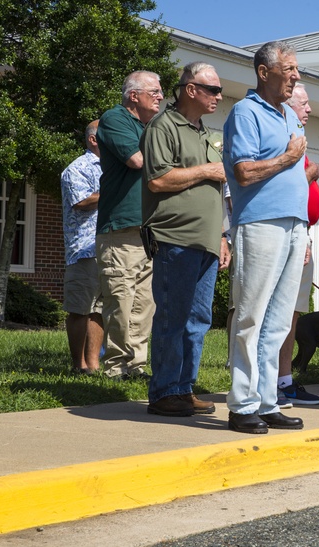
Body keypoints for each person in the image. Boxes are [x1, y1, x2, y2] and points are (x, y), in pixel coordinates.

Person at [222, 40, 308, 434]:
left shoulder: (289, 115)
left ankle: (267, 400)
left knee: (277, 322)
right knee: (251, 315)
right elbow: (242, 172)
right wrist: (287, 160)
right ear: (263, 71)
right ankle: (242, 405)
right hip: (260, 223)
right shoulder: (245, 112)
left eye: (296, 70)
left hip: (294, 225)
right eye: (288, 69)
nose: (295, 76)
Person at [141, 62, 230, 417]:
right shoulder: (163, 127)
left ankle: (183, 388)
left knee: (198, 321)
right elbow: (157, 181)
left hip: (207, 241)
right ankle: (164, 392)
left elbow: (216, 192)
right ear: (191, 89)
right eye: (213, 90)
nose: (218, 97)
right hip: (175, 237)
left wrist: (222, 236)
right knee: (172, 318)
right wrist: (208, 169)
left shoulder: (205, 133)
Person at [95, 71, 163, 380]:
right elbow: (136, 160)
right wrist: (170, 159)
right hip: (120, 229)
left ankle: (136, 366)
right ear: (134, 95)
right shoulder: (115, 118)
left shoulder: (153, 127)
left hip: (149, 230)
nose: (161, 96)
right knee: (120, 302)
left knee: (143, 305)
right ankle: (115, 368)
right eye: (154, 91)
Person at [276, 83, 319, 407]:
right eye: (304, 104)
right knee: (278, 314)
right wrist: (308, 175)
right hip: (280, 233)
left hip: (300, 233)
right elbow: (276, 185)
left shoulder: (298, 138)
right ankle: (270, 384)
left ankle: (285, 380)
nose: (309, 110)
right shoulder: (280, 136)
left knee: (292, 314)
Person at [60, 120, 103, 374]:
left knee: (99, 309)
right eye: (107, 134)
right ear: (93, 139)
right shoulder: (77, 168)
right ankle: (77, 365)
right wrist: (117, 192)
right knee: (79, 309)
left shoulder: (112, 168)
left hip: (107, 247)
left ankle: (94, 365)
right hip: (84, 249)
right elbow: (81, 201)